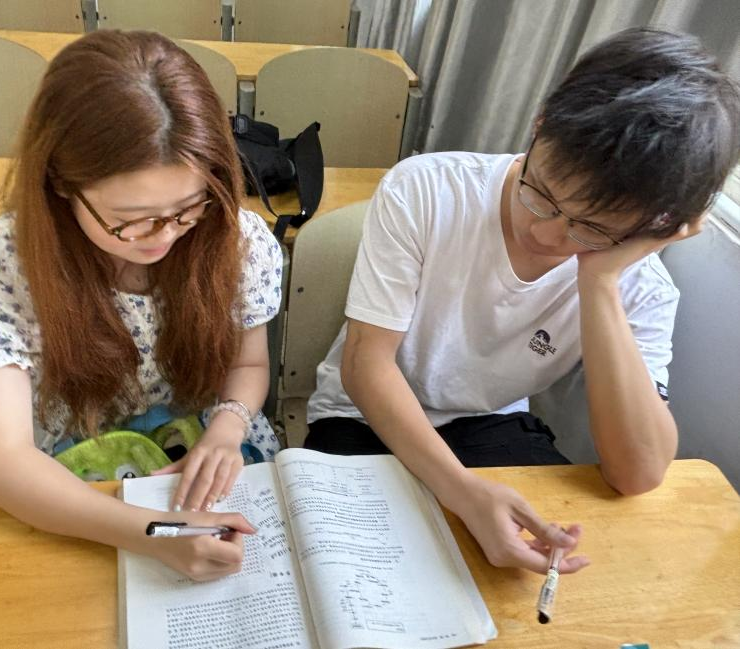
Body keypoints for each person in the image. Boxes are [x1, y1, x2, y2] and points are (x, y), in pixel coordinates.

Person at [305, 28, 740, 574]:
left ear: (656, 225)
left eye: (591, 227)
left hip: (488, 424)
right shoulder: (428, 189)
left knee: (550, 576)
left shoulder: (642, 287)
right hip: (363, 418)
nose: (547, 234)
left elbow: (638, 473)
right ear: (540, 126)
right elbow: (366, 366)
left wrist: (600, 281)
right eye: (543, 193)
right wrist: (461, 491)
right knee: (366, 576)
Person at [0, 30, 283, 581]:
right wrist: (157, 535)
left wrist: (228, 426)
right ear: (60, 184)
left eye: (187, 208)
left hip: (201, 440)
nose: (163, 235)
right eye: (129, 220)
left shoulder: (234, 239)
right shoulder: (0, 266)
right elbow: (2, 461)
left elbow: (247, 363)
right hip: (69, 479)